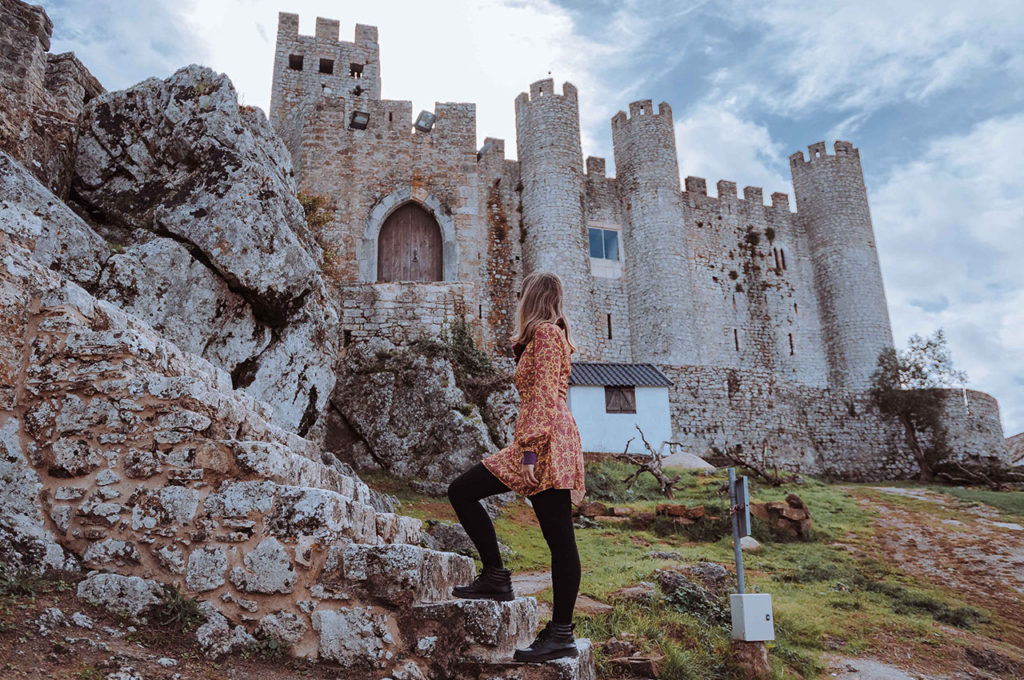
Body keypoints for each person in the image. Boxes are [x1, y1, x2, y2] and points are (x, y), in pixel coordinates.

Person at [446, 271, 587, 663]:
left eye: (521, 293)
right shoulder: (548, 334)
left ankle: (559, 631)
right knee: (556, 536)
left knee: (559, 539)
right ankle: (496, 577)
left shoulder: (544, 333)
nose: (516, 299)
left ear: (532, 297)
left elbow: (542, 395)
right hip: (548, 435)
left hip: (543, 440)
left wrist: (528, 452)